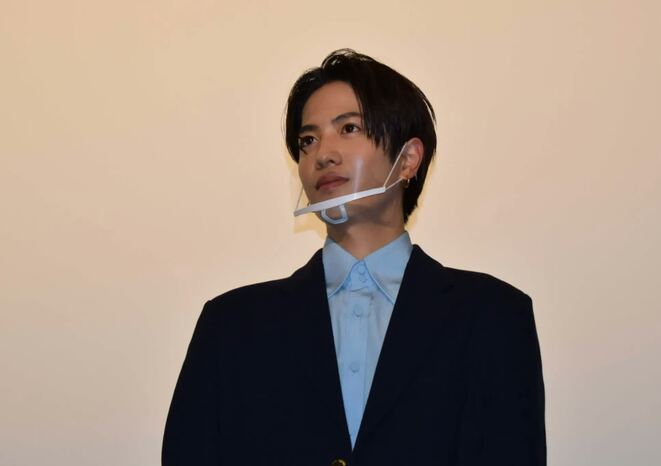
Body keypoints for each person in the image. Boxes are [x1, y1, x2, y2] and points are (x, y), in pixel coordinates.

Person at [162, 49, 546, 466]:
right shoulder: (232, 325)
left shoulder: (492, 316)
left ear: (408, 159)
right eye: (307, 140)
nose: (323, 154)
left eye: (348, 128)